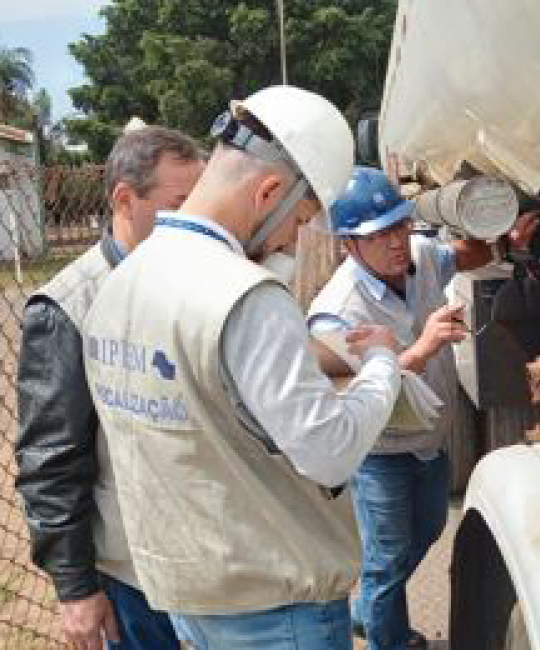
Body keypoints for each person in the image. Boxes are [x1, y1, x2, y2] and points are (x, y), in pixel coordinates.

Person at [82, 86, 403, 649]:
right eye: (300, 218)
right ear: (270, 190)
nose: (292, 238)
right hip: (276, 611)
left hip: (190, 593)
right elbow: (327, 451)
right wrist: (381, 365)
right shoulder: (246, 294)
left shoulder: (121, 281)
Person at [308, 166, 540, 650]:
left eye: (399, 225)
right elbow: (349, 400)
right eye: (379, 235)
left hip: (428, 441)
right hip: (381, 453)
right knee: (387, 557)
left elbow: (463, 255)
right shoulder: (338, 310)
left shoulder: (419, 255)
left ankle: (373, 606)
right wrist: (421, 349)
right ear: (349, 245)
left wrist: (500, 243)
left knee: (429, 529)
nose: (396, 241)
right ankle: (386, 636)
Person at [16, 125, 205, 650]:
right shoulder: (69, 306)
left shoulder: (191, 278)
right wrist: (76, 588)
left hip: (208, 555)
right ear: (126, 198)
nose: (198, 218)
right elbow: (50, 459)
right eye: (181, 203)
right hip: (134, 574)